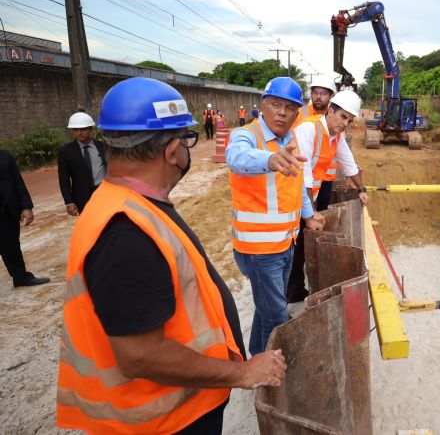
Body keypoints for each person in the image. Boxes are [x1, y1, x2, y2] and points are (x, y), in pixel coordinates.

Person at [56, 77, 286, 434]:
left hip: (177, 409)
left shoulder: (130, 205)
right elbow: (141, 355)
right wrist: (241, 372)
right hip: (165, 420)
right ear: (173, 150)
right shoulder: (126, 232)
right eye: (188, 141)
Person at [226, 76, 324, 355]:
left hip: (285, 243)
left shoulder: (290, 139)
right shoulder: (247, 135)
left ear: (297, 113)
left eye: (290, 108)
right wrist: (269, 160)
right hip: (258, 249)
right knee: (277, 315)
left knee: (269, 306)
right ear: (263, 106)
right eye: (275, 105)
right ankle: (269, 371)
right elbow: (237, 157)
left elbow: (296, 186)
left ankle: (257, 356)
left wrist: (309, 216)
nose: (282, 112)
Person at [288, 89, 368, 302]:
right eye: (343, 117)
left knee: (301, 243)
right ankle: (291, 291)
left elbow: (349, 163)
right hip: (291, 195)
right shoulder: (309, 129)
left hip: (304, 196)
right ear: (330, 110)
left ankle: (294, 287)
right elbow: (303, 175)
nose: (345, 124)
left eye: (349, 121)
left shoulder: (335, 136)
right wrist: (311, 213)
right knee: (293, 245)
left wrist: (361, 189)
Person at [0, 149, 50, 287]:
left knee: (11, 246)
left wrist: (26, 206)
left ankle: (20, 277)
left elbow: (18, 182)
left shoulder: (5, 156)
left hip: (6, 211)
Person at [292, 77, 338, 212]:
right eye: (315, 93)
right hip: (304, 175)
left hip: (326, 177)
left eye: (323, 93)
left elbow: (339, 144)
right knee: (303, 213)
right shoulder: (300, 113)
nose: (318, 97)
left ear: (331, 96)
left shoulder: (335, 115)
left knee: (322, 211)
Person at [57, 111, 107, 215]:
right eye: (75, 130)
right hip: (82, 198)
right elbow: (64, 179)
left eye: (83, 129)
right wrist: (69, 202)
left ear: (91, 129)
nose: (79, 133)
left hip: (105, 193)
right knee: (90, 227)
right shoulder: (65, 151)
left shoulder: (103, 147)